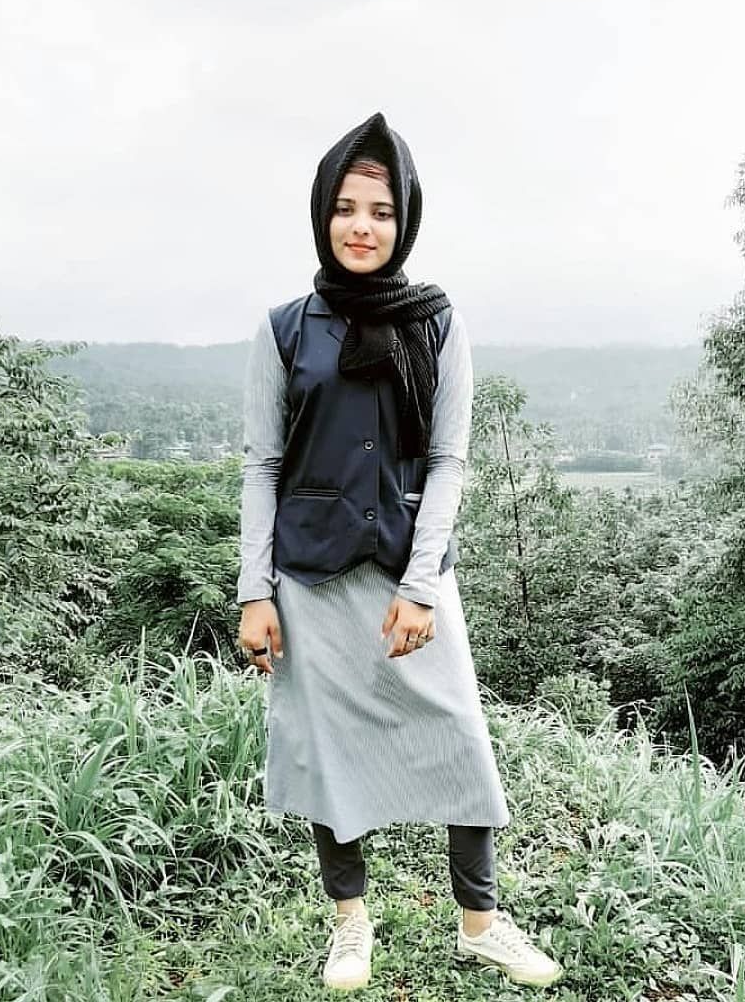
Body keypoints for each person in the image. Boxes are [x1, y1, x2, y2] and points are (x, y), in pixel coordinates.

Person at [235, 111, 563, 991]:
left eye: (380, 211)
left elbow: (450, 458)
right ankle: (350, 924)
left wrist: (421, 586)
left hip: (409, 574)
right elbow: (262, 464)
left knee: (460, 739)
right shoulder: (284, 328)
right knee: (329, 752)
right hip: (309, 576)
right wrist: (254, 592)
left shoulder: (437, 322)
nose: (361, 227)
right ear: (322, 214)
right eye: (346, 208)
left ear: (404, 219)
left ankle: (480, 924)